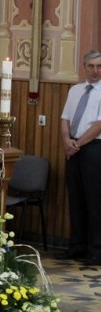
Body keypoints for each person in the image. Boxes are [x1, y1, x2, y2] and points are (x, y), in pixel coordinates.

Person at [57, 50, 101, 265]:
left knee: (94, 200)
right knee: (75, 198)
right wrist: (67, 140)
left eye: (99, 66)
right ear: (84, 67)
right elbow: (65, 118)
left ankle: (96, 250)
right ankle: (77, 245)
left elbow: (99, 125)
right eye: (91, 66)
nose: (95, 70)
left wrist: (78, 144)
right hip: (72, 147)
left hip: (94, 148)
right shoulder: (75, 90)